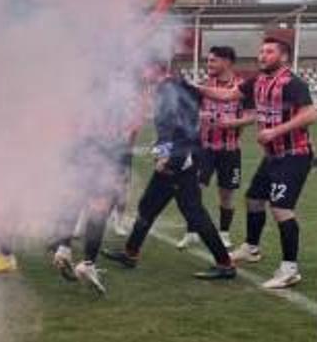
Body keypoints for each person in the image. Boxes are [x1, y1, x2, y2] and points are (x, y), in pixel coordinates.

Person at [196, 37, 317, 289]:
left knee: (281, 209)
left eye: (269, 52)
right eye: (261, 51)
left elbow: (310, 114)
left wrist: (276, 131)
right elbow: (230, 94)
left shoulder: (292, 83)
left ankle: (289, 269)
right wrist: (197, 88)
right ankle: (251, 248)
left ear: (283, 57)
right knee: (253, 198)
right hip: (272, 156)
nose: (262, 55)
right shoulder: (258, 81)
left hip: (294, 155)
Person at [101, 67, 236, 280]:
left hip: (179, 159)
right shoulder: (176, 85)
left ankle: (225, 264)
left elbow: (174, 127)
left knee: (193, 212)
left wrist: (167, 158)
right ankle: (131, 253)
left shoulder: (168, 88)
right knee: (148, 205)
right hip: (181, 155)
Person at [48, 70, 142, 295]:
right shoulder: (118, 101)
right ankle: (88, 264)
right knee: (99, 209)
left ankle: (63, 248)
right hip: (106, 154)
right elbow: (131, 129)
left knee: (72, 200)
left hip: (78, 152)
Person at [177, 46, 253, 250]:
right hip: (204, 148)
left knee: (226, 193)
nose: (208, 64)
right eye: (208, 61)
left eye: (213, 61)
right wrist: (199, 116)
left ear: (227, 62)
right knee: (195, 189)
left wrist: (233, 123)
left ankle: (224, 233)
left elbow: (251, 117)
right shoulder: (203, 86)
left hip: (230, 149)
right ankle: (192, 231)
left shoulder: (242, 87)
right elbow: (187, 113)